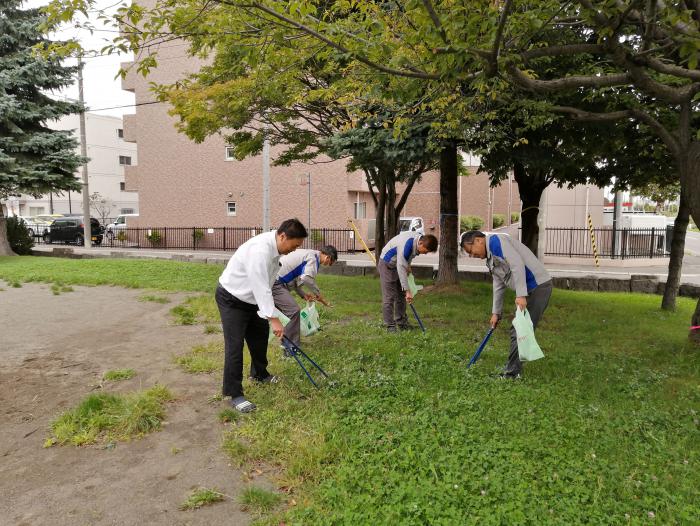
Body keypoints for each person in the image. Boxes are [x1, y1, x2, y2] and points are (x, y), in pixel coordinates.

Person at [216, 218, 307, 413]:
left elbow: (266, 286)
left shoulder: (276, 247)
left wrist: (270, 314)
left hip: (253, 300)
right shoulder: (260, 250)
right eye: (295, 245)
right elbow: (260, 285)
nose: (295, 249)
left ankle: (259, 374)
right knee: (235, 345)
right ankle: (234, 394)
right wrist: (274, 319)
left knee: (258, 339)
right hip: (232, 298)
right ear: (283, 236)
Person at [460, 230, 552, 379]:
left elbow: (517, 264)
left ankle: (512, 374)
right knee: (519, 330)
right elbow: (498, 285)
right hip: (530, 289)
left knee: (519, 330)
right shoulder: (490, 259)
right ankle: (513, 368)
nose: (472, 255)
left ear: (478, 240)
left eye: (471, 251)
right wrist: (496, 312)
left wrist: (521, 294)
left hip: (538, 287)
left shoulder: (496, 242)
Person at [275, 245, 338, 346]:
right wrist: (319, 295)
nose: (327, 265)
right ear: (328, 257)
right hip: (276, 282)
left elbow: (295, 278)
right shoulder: (312, 259)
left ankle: (285, 341)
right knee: (293, 311)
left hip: (276, 280)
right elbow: (306, 279)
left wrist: (302, 294)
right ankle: (290, 347)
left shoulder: (310, 254)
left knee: (284, 313)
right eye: (330, 263)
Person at [378, 231, 438, 332]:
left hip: (399, 262)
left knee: (400, 295)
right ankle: (390, 326)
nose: (425, 253)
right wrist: (407, 290)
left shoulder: (418, 238)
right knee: (389, 296)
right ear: (421, 243)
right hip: (387, 264)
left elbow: (408, 256)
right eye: (426, 251)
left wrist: (408, 265)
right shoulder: (407, 245)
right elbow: (401, 266)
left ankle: (402, 323)